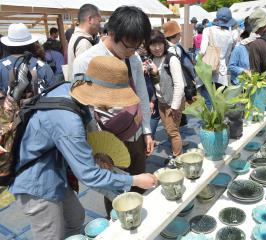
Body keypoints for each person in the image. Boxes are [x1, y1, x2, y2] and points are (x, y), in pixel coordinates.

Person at [7, 55, 157, 240]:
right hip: (36, 182)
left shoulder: (72, 90)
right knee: (51, 234)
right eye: (113, 98)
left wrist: (96, 155)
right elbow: (89, 175)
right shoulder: (68, 121)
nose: (113, 104)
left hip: (56, 170)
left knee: (75, 217)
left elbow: (87, 138)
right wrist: (135, 180)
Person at [72, 6, 154, 216]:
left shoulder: (133, 58)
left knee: (139, 183)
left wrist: (146, 130)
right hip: (108, 139)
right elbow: (84, 107)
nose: (133, 51)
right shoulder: (86, 61)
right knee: (117, 193)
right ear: (112, 34)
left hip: (135, 132)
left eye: (137, 46)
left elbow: (142, 94)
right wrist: (96, 147)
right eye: (129, 46)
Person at [144, 30, 185, 160]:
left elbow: (179, 85)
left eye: (159, 44)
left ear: (164, 43)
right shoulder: (151, 60)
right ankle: (178, 146)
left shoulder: (171, 59)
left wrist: (174, 106)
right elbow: (154, 83)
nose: (157, 48)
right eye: (153, 45)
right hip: (161, 101)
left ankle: (178, 158)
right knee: (169, 129)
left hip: (173, 101)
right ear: (148, 46)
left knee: (172, 131)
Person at [0, 23, 55, 95]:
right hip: (39, 105)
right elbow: (53, 94)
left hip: (9, 104)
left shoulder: (1, 65)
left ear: (8, 45)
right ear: (31, 44)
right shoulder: (43, 66)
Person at [199, 7, 235, 108]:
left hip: (208, 70)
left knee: (208, 101)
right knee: (220, 102)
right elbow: (227, 56)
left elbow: (202, 51)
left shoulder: (207, 30)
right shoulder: (230, 35)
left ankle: (209, 123)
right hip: (221, 72)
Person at [67, 4, 101, 81]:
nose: (100, 25)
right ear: (90, 19)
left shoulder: (75, 36)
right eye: (99, 21)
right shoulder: (84, 43)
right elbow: (85, 76)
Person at [228, 18, 253, 85]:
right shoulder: (239, 48)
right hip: (239, 84)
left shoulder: (257, 47)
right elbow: (231, 66)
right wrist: (244, 71)